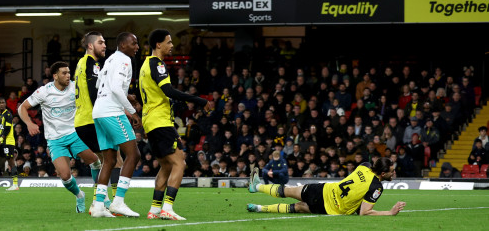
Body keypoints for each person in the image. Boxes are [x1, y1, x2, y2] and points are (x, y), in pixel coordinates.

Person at [140, 29, 210, 221]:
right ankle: (168, 208)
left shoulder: (145, 65)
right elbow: (169, 90)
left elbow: (158, 95)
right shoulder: (157, 64)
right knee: (180, 163)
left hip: (151, 122)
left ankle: (154, 210)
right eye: (169, 42)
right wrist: (198, 100)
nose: (172, 46)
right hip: (160, 121)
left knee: (166, 166)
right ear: (158, 45)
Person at [18, 61, 101, 213]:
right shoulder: (44, 91)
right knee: (65, 176)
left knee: (96, 163)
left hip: (76, 134)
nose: (68, 75)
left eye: (69, 72)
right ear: (55, 76)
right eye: (64, 73)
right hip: (55, 139)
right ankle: (79, 195)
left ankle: (99, 198)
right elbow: (22, 107)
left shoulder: (76, 87)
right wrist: (29, 124)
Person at [90, 32, 142, 218]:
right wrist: (133, 112)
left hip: (98, 112)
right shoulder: (124, 61)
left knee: (110, 160)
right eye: (133, 43)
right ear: (122, 44)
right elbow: (116, 88)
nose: (137, 47)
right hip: (112, 112)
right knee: (133, 154)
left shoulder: (110, 60)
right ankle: (118, 202)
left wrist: (125, 95)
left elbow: (99, 86)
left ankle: (98, 206)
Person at [247, 157, 406, 216]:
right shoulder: (377, 187)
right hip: (329, 207)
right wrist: (389, 213)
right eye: (391, 171)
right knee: (297, 208)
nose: (393, 173)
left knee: (287, 190)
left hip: (324, 189)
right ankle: (259, 208)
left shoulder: (364, 165)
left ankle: (257, 187)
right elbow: (364, 212)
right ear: (383, 173)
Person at [73, 31, 114, 212]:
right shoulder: (92, 63)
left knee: (97, 161)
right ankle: (104, 201)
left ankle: (102, 200)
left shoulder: (80, 63)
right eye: (100, 42)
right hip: (92, 118)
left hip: (81, 120)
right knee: (112, 158)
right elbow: (93, 90)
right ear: (90, 46)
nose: (104, 45)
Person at [0, 97, 19, 190]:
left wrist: (0, 141)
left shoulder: (8, 115)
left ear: (5, 104)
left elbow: (7, 129)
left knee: (11, 163)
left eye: (3, 102)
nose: (1, 104)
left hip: (8, 142)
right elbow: (0, 130)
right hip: (1, 141)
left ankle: (15, 184)